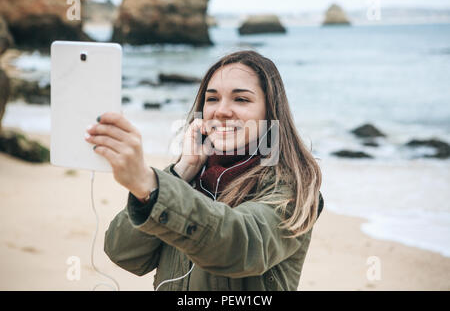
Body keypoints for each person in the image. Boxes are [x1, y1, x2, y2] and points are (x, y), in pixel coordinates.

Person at [85, 50, 324, 291]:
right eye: (212, 99)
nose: (221, 111)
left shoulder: (291, 189)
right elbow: (123, 252)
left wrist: (151, 185)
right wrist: (181, 171)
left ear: (270, 111)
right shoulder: (185, 180)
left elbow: (240, 247)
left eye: (241, 99)